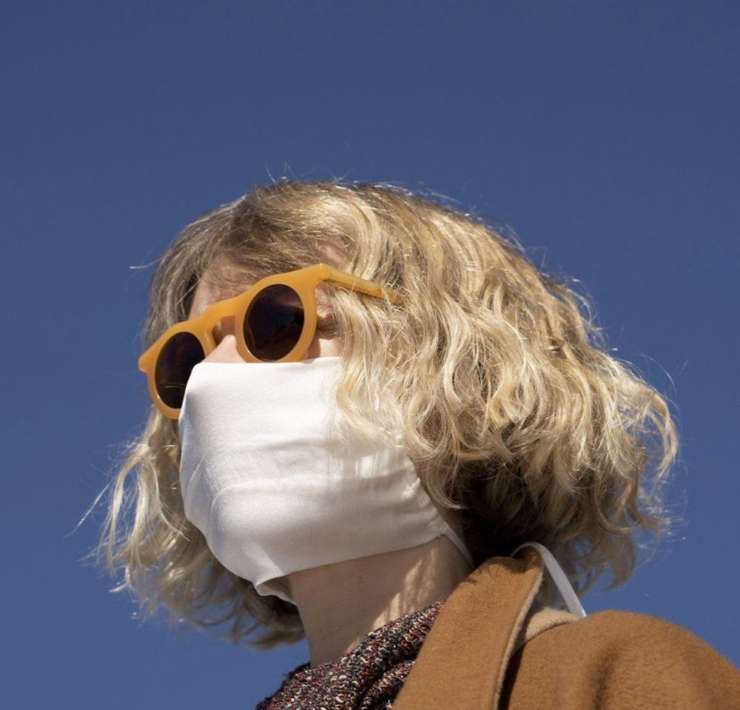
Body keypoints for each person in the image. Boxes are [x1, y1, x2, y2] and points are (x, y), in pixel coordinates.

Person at [94, 179, 739, 708]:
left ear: (456, 362)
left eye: (276, 320)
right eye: (185, 359)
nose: (213, 376)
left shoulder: (608, 679)